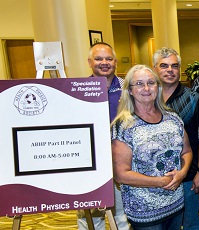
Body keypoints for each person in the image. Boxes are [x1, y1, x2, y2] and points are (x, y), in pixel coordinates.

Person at [111, 65, 192, 229]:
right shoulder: (123, 126)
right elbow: (120, 174)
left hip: (175, 204)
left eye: (151, 83)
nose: (146, 88)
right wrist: (159, 182)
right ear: (130, 91)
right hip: (145, 213)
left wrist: (182, 173)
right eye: (139, 84)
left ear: (158, 87)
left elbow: (187, 151)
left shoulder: (173, 118)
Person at [152, 47, 199, 230]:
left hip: (187, 176)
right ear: (155, 68)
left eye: (174, 66)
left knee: (191, 223)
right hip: (153, 178)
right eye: (164, 66)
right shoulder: (147, 98)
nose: (170, 70)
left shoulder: (194, 99)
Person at [79, 42, 130, 230]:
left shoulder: (127, 88)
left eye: (109, 58)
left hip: (121, 159)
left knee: (121, 213)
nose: (104, 62)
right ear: (90, 62)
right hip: (90, 161)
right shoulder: (79, 89)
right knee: (91, 215)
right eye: (99, 59)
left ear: (115, 62)